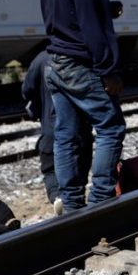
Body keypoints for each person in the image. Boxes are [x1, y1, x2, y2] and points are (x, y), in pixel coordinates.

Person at [40, 0, 125, 212]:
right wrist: (108, 71)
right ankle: (101, 198)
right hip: (80, 64)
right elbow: (91, 30)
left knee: (66, 134)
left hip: (55, 63)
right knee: (111, 127)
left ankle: (71, 201)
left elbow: (66, 16)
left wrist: (105, 8)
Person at [21, 50, 92, 215]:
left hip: (51, 128)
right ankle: (77, 201)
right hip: (82, 129)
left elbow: (27, 89)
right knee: (80, 168)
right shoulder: (82, 54)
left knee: (51, 170)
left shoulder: (42, 58)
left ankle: (58, 197)